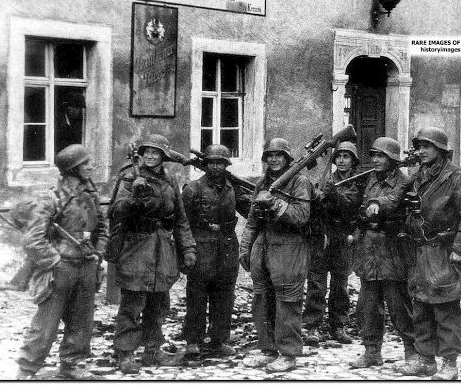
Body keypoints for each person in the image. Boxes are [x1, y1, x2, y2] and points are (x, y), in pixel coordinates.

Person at [393, 127, 461, 380]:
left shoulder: (456, 177)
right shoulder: (418, 176)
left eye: (427, 146)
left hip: (444, 252)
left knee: (446, 310)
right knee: (421, 307)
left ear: (441, 150)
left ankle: (450, 364)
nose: (421, 151)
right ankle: (425, 359)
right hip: (420, 251)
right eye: (419, 146)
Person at [108, 134, 197, 374]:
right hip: (137, 247)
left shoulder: (170, 179)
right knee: (132, 303)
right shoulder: (129, 176)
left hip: (163, 249)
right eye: (146, 151)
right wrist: (135, 199)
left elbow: (180, 218)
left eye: (155, 153)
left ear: (163, 157)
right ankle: (126, 354)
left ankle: (152, 350)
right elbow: (116, 212)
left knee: (159, 303)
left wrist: (187, 247)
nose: (149, 156)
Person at [17, 144, 107, 380]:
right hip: (61, 267)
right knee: (46, 324)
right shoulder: (51, 198)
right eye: (85, 164)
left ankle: (72, 365)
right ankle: (26, 370)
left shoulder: (91, 194)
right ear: (73, 169)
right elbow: (33, 240)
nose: (91, 166)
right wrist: (55, 261)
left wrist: (98, 254)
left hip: (87, 263)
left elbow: (102, 227)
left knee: (82, 321)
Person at [239, 138, 311, 372]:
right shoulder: (263, 181)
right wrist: (246, 246)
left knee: (288, 300)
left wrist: (275, 204)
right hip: (265, 243)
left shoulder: (299, 182)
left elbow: (301, 216)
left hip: (290, 244)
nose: (274, 159)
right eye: (270, 155)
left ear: (288, 158)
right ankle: (267, 349)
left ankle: (288, 354)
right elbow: (251, 220)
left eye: (279, 155)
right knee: (262, 299)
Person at [348, 137, 416, 369]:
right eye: (374, 155)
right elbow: (360, 207)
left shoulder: (405, 181)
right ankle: (372, 351)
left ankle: (412, 352)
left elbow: (394, 200)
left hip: (392, 252)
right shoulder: (370, 180)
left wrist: (377, 203)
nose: (375, 160)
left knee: (399, 306)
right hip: (369, 252)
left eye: (381, 156)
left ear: (393, 160)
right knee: (367, 306)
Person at [181, 144, 252, 358]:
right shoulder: (193, 189)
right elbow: (182, 222)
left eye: (220, 163)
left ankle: (219, 340)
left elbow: (250, 211)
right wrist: (186, 249)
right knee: (197, 294)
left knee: (224, 294)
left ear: (226, 165)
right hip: (202, 243)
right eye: (211, 162)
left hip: (227, 245)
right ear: (205, 164)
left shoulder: (234, 189)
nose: (215, 167)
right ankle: (193, 340)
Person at [303, 141, 363, 345]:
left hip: (343, 237)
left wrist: (333, 194)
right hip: (325, 236)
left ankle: (339, 325)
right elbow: (316, 209)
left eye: (347, 157)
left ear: (353, 161)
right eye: (339, 156)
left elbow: (351, 207)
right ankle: (312, 326)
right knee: (317, 283)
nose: (342, 161)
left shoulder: (358, 183)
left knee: (341, 285)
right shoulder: (327, 180)